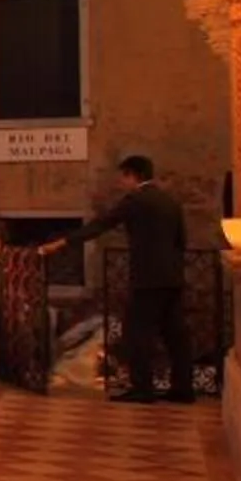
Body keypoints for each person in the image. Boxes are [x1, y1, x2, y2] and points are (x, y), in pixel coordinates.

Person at [42, 155, 193, 403]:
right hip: (172, 276)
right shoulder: (170, 201)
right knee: (175, 334)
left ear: (133, 176)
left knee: (137, 333)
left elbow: (101, 224)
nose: (121, 183)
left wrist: (63, 242)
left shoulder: (135, 201)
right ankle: (183, 389)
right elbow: (181, 240)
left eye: (123, 177)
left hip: (146, 278)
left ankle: (143, 389)